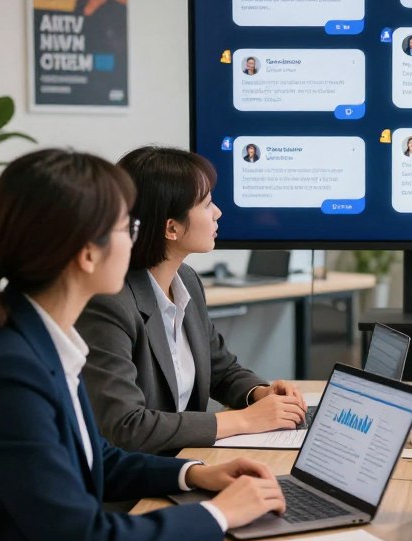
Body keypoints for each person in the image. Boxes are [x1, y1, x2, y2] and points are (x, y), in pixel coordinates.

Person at [0, 149, 286, 541]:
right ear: (88, 254)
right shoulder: (12, 371)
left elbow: (99, 459)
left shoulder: (43, 342)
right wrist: (218, 516)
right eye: (128, 228)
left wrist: (196, 474)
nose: (135, 241)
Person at [76, 147, 306, 455]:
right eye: (208, 203)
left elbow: (221, 369)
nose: (218, 212)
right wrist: (244, 421)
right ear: (171, 227)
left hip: (188, 461)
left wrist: (259, 393)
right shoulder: (109, 303)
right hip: (138, 484)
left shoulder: (186, 281)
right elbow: (126, 427)